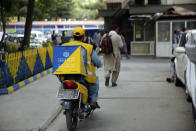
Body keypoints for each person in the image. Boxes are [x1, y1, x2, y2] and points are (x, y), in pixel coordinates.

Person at [62, 27, 102, 109]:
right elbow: (97, 62)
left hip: (67, 74)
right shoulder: (88, 47)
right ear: (83, 37)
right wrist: (99, 65)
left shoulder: (64, 46)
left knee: (62, 84)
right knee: (95, 83)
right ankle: (93, 101)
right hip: (84, 76)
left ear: (73, 36)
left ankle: (62, 100)